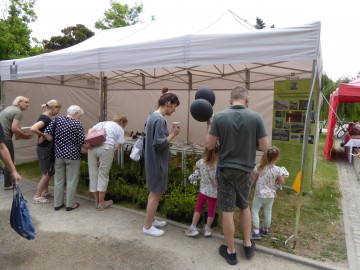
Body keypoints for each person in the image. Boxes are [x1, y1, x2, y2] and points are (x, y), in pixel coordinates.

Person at [206, 86, 268, 265]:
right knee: (244, 206)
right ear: (247, 99)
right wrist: (250, 144)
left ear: (230, 100)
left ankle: (231, 251)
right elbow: (264, 147)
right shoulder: (255, 117)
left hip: (225, 169)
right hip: (246, 170)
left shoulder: (219, 116)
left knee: (227, 210)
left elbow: (209, 146)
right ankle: (248, 245)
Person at [143, 92, 180, 237]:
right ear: (169, 103)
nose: (174, 110)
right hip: (157, 162)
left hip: (151, 161)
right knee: (155, 194)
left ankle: (151, 220)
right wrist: (173, 134)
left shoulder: (151, 115)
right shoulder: (159, 120)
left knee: (153, 192)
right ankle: (147, 226)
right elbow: (159, 144)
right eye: (174, 107)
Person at [44, 105, 88, 211]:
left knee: (58, 180)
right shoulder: (77, 123)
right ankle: (69, 204)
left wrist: (54, 141)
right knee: (71, 180)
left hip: (58, 154)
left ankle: (57, 204)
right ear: (76, 114)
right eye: (80, 115)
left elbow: (46, 133)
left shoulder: (57, 120)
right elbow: (82, 141)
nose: (80, 117)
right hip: (73, 155)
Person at [87, 114, 128, 211]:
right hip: (106, 148)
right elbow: (116, 146)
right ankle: (101, 203)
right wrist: (111, 153)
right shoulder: (119, 128)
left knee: (93, 173)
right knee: (103, 175)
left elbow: (90, 131)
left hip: (92, 147)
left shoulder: (102, 123)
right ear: (122, 122)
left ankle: (96, 202)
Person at [251, 146, 289, 240]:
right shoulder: (277, 169)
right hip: (270, 195)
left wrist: (252, 186)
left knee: (255, 211)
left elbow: (254, 179)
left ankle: (256, 231)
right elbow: (282, 182)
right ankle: (265, 230)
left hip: (259, 194)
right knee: (268, 211)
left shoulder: (259, 167)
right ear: (276, 158)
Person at [30, 100, 62, 204]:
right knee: (47, 173)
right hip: (44, 149)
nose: (58, 112)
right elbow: (33, 128)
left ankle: (45, 191)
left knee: (47, 171)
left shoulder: (45, 117)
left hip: (44, 148)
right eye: (58, 109)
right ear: (53, 108)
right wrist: (44, 135)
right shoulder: (45, 119)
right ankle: (37, 196)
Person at [185, 145, 219, 237]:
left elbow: (195, 168)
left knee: (198, 209)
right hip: (214, 193)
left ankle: (193, 226)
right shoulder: (218, 166)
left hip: (203, 191)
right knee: (211, 211)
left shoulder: (201, 162)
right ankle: (207, 228)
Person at [0, 96, 33, 190]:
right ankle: (8, 184)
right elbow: (14, 128)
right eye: (25, 102)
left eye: (28, 102)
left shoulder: (8, 108)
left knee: (4, 160)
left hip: (2, 136)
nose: (28, 104)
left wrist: (21, 134)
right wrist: (25, 136)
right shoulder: (18, 112)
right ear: (18, 102)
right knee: (9, 160)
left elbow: (15, 127)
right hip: (5, 138)